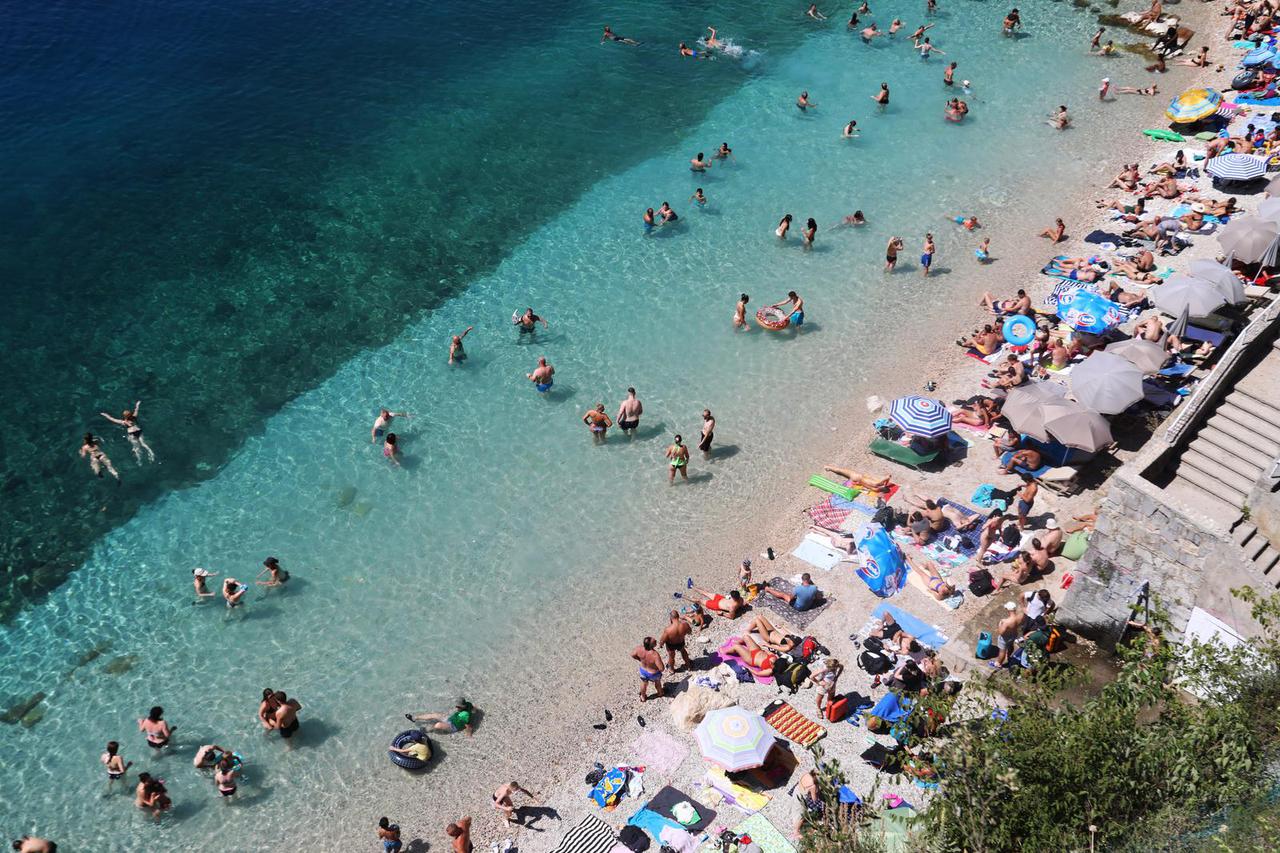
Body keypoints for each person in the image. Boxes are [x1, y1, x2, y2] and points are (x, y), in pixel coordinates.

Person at [406, 699, 475, 737]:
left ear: (463, 706)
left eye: (458, 707)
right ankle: (414, 718)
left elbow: (468, 726)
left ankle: (426, 730)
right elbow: (473, 708)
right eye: (456, 706)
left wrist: (469, 735)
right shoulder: (468, 704)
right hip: (451, 719)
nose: (456, 708)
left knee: (438, 725)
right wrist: (475, 711)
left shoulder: (465, 715)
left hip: (454, 726)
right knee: (434, 715)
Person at [632, 637, 665, 702]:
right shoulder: (655, 655)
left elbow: (632, 654)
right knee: (657, 683)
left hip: (643, 671)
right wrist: (655, 667)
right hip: (653, 673)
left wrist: (640, 659)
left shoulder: (639, 649)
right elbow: (662, 668)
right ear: (651, 645)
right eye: (654, 641)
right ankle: (660, 693)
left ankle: (643, 697)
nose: (656, 641)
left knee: (643, 683)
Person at [993, 601, 1022, 667]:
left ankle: (998, 663)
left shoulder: (1006, 622)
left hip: (1005, 638)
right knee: (1010, 646)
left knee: (1002, 651)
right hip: (1014, 635)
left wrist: (1000, 623)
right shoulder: (1019, 617)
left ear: (1008, 610)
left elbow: (1000, 632)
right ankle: (1008, 656)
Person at [822, 464, 891, 491]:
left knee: (841, 470)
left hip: (856, 476)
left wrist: (886, 481)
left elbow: (888, 476)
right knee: (842, 473)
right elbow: (864, 486)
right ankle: (830, 468)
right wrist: (858, 483)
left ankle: (828, 467)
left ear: (883, 486)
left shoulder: (877, 483)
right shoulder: (875, 489)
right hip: (857, 480)